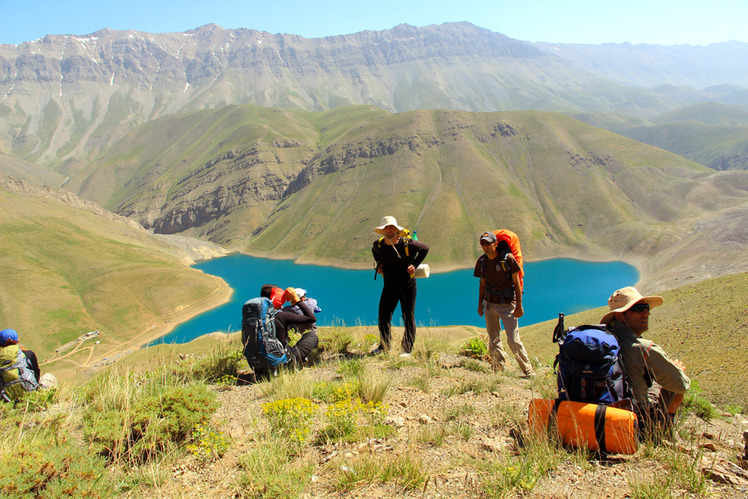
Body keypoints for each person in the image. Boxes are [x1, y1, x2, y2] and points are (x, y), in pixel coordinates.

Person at [601, 286, 690, 431]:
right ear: (619, 316)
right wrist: (677, 371)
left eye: (646, 307)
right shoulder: (643, 347)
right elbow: (681, 385)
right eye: (638, 308)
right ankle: (663, 432)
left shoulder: (604, 341)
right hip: (638, 420)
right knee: (677, 377)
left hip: (601, 411)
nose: (647, 313)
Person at [474, 232, 535, 376]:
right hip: (490, 304)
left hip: (507, 305)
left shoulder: (508, 259)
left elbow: (517, 283)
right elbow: (482, 284)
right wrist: (480, 304)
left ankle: (528, 370)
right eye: (483, 244)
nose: (485, 247)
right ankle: (498, 367)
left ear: (495, 243)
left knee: (513, 340)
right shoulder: (482, 261)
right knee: (493, 338)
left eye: (488, 243)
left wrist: (519, 305)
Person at [371, 216, 429, 356]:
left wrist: (414, 266)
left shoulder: (407, 244)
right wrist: (379, 265)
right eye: (386, 227)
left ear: (396, 229)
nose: (389, 230)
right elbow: (375, 254)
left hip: (407, 286)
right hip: (389, 286)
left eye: (391, 227)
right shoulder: (378, 245)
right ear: (383, 231)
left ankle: (407, 349)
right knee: (383, 316)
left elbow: (425, 248)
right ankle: (384, 346)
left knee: (408, 316)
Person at [259, 285, 319, 366]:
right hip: (280, 363)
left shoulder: (256, 317)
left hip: (258, 364)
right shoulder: (282, 316)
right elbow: (312, 318)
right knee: (312, 336)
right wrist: (297, 300)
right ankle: (292, 363)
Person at [0, 328, 56, 402]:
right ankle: (51, 402)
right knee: (49, 376)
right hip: (30, 396)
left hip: (8, 401)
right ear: (17, 341)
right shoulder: (28, 354)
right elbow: (36, 375)